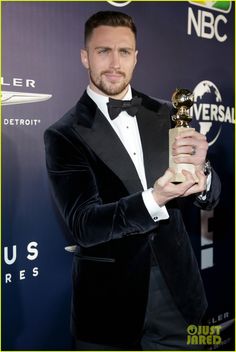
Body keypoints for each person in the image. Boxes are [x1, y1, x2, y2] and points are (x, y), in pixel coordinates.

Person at [44, 11, 221, 351]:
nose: (114, 62)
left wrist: (206, 177)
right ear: (85, 56)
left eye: (124, 52)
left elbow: (210, 197)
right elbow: (84, 224)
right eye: (103, 51)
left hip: (180, 294)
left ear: (136, 57)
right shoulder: (63, 134)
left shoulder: (167, 113)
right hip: (108, 305)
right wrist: (154, 198)